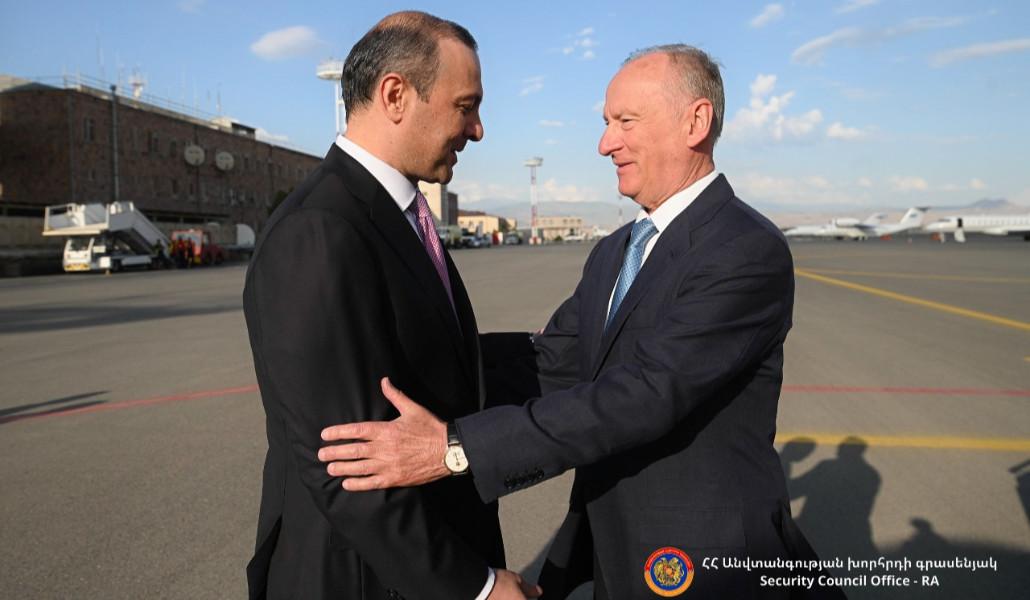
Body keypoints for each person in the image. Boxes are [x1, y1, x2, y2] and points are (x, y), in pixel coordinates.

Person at [320, 45, 842, 599]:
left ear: (696, 122)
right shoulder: (617, 250)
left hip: (702, 563)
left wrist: (455, 448)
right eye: (606, 123)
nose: (605, 143)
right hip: (615, 545)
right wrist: (399, 364)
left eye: (625, 122)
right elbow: (556, 359)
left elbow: (643, 394)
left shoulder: (742, 249)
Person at [242, 11, 540, 600]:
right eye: (465, 106)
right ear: (396, 95)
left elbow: (433, 360)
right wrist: (475, 588)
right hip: (365, 579)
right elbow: (348, 462)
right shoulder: (320, 229)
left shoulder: (393, 214)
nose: (477, 129)